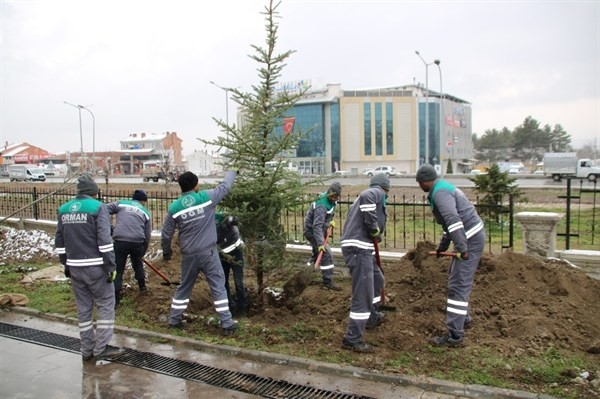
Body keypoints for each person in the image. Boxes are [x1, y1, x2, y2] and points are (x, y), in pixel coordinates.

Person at [55, 173, 124, 361]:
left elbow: (59, 241)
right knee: (106, 304)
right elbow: (104, 240)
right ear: (94, 192)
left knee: (83, 308)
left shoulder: (64, 209)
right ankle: (101, 348)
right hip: (96, 267)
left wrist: (65, 263)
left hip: (75, 267)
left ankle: (86, 349)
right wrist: (110, 265)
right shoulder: (98, 208)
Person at [416, 164, 485, 347]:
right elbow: (449, 226)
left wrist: (462, 248)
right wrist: (443, 247)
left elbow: (453, 220)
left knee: (458, 285)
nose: (419, 186)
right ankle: (464, 319)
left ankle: (455, 335)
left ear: (425, 182)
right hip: (468, 236)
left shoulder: (440, 193)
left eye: (419, 183)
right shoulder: (442, 188)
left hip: (469, 239)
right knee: (456, 279)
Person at [161, 170, 238, 336]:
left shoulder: (174, 207)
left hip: (189, 255)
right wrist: (232, 172)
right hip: (208, 253)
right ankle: (227, 324)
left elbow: (166, 234)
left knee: (184, 287)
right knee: (218, 285)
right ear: (196, 185)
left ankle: (174, 320)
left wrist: (166, 252)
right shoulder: (205, 197)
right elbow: (225, 187)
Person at [339, 174, 389, 353]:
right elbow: (368, 197)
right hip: (358, 249)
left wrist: (376, 233)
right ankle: (352, 339)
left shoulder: (375, 194)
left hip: (362, 247)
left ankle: (372, 317)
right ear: (385, 189)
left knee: (377, 279)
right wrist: (374, 227)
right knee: (363, 293)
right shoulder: (375, 191)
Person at [106, 189, 152, 307]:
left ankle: (116, 300)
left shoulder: (121, 204)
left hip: (120, 240)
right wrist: (143, 251)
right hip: (137, 242)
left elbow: (103, 209)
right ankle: (142, 288)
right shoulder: (145, 212)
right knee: (137, 264)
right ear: (142, 201)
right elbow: (147, 235)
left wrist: (109, 227)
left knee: (118, 269)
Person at [303, 182, 342, 290]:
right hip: (312, 231)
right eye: (333, 196)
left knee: (316, 254)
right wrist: (320, 243)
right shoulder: (322, 205)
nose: (334, 199)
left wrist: (329, 222)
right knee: (327, 253)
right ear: (329, 193)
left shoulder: (332, 201)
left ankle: (305, 277)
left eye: (336, 197)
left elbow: (327, 216)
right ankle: (327, 281)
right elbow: (317, 225)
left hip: (317, 229)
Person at [216, 211, 247, 316]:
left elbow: (235, 220)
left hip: (236, 253)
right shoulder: (208, 221)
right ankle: (228, 306)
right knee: (223, 282)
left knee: (238, 282)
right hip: (222, 256)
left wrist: (230, 220)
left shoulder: (223, 217)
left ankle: (242, 308)